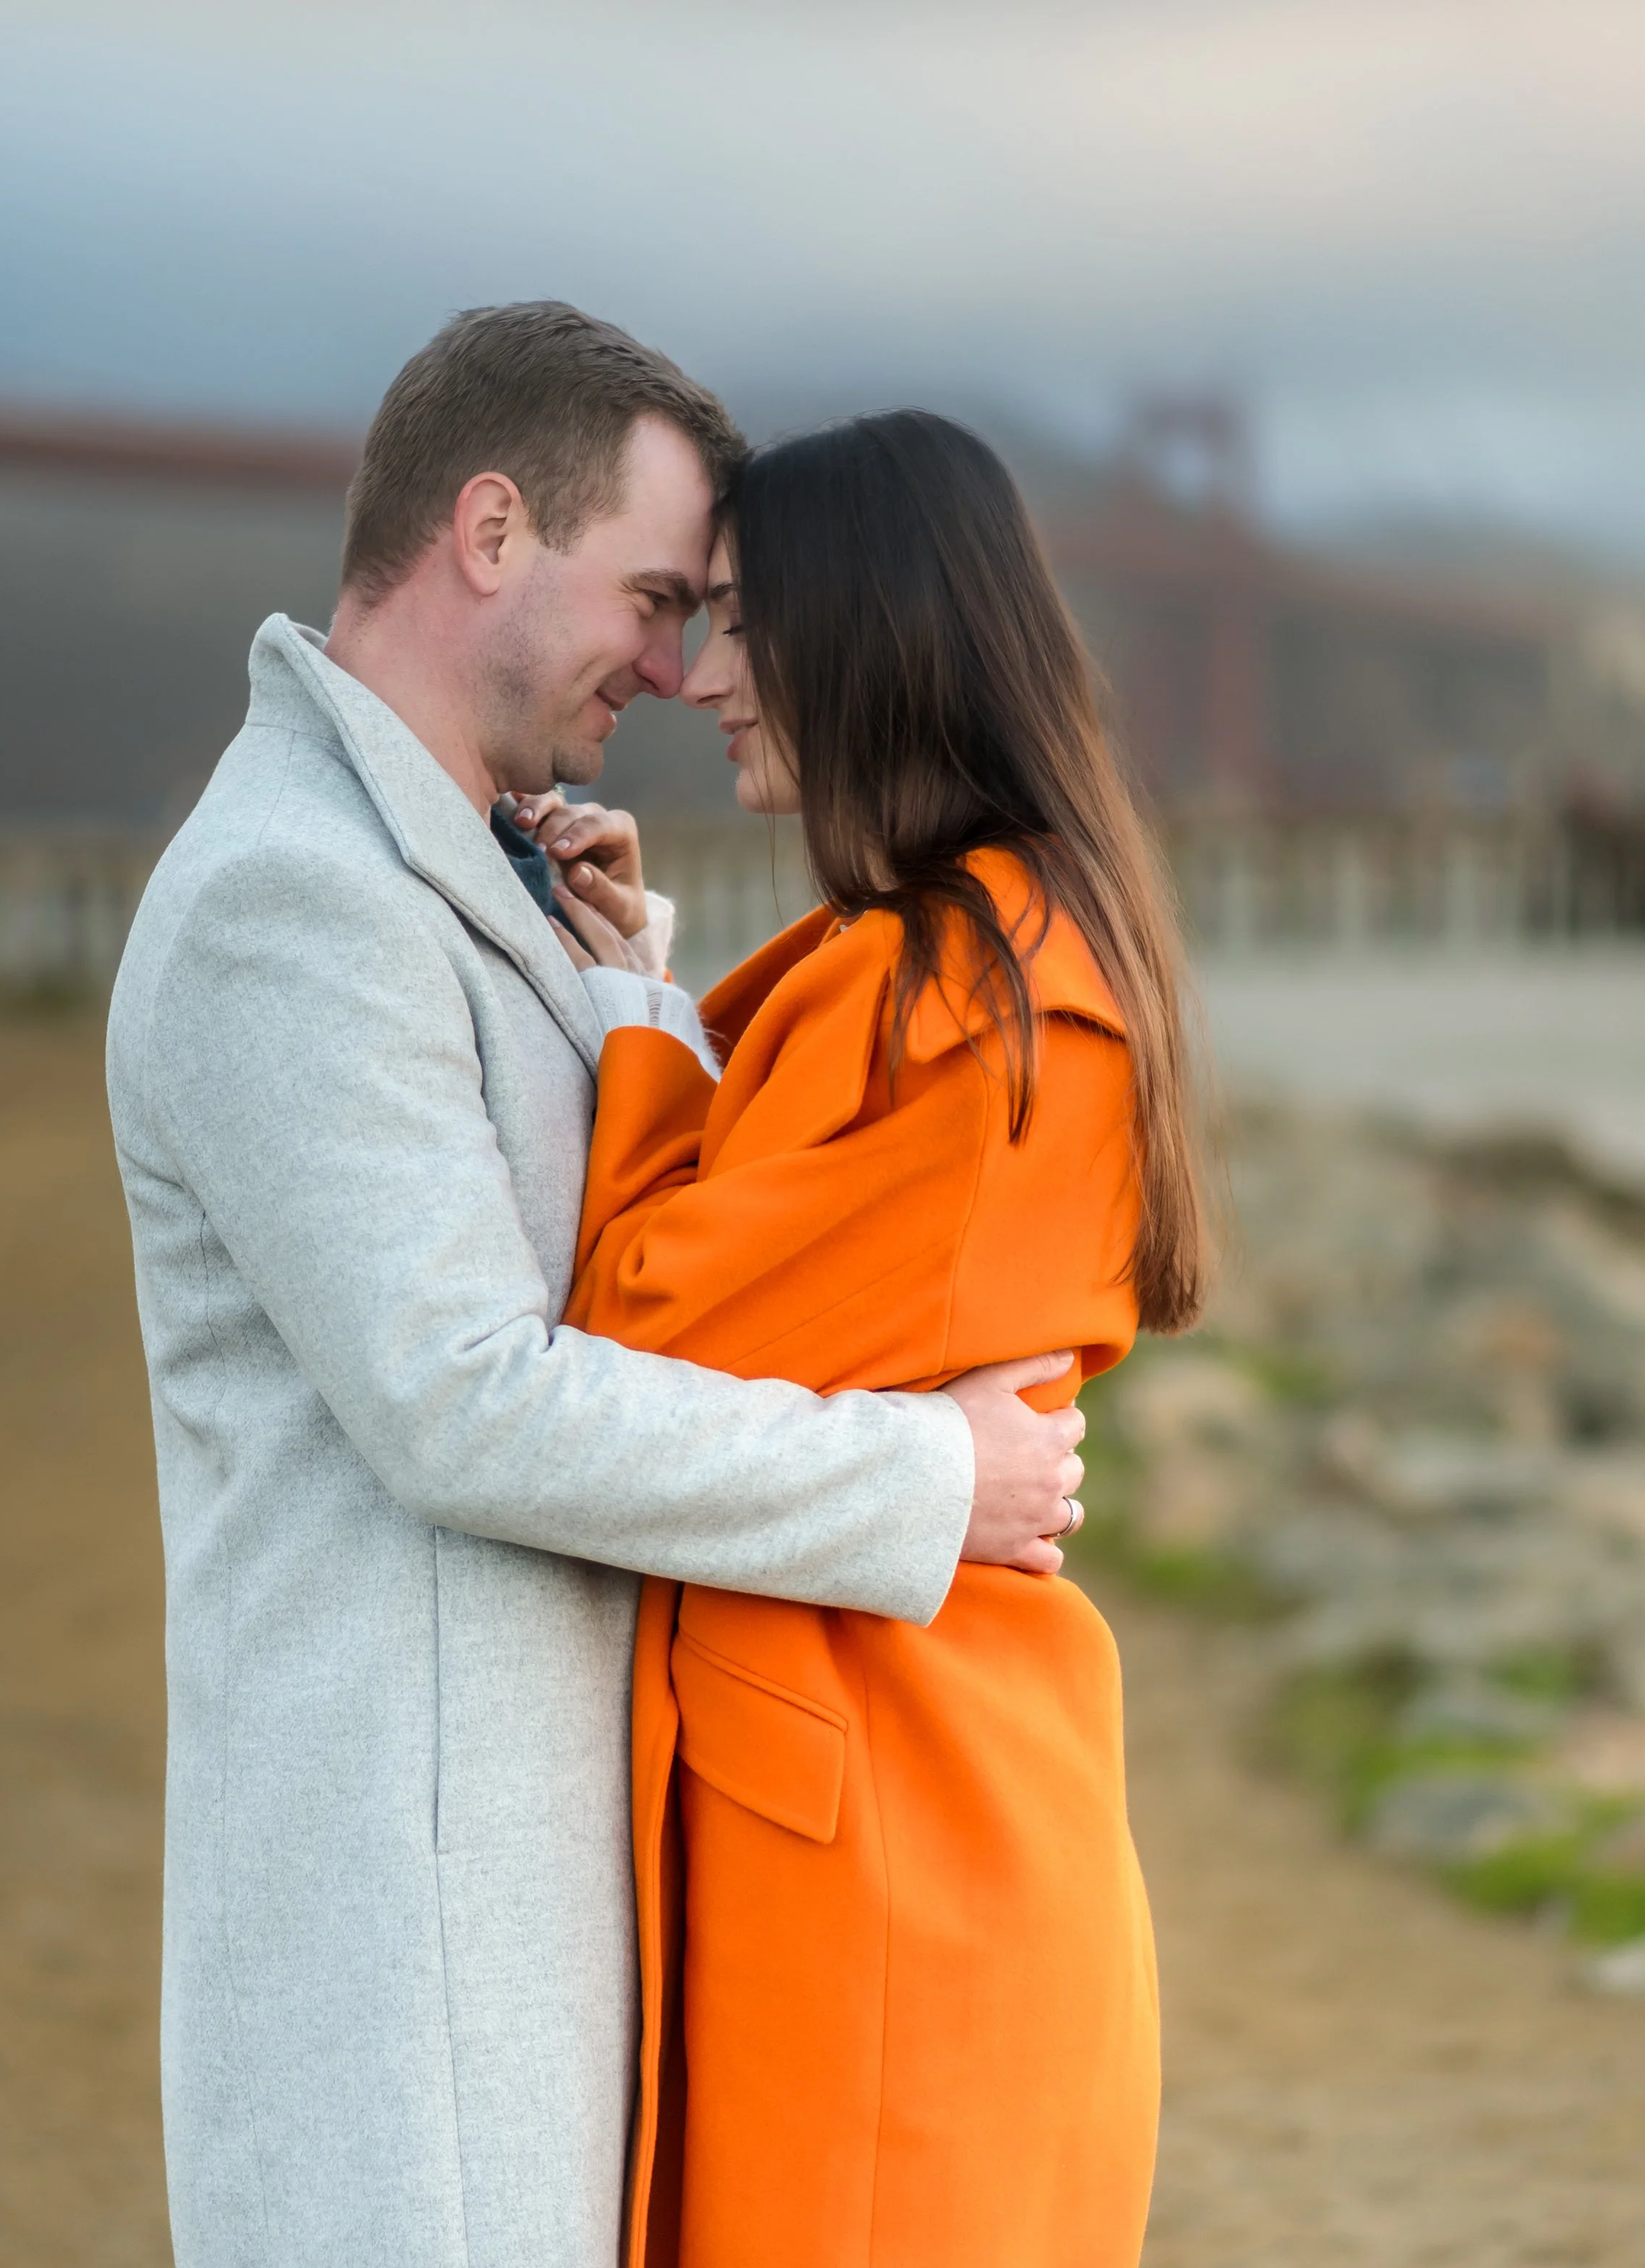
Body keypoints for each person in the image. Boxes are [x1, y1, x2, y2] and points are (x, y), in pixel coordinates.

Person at [105, 306, 1090, 2268]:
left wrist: (624, 988)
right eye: (652, 597)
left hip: (534, 1899)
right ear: (487, 530)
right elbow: (464, 1393)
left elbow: (633, 1270)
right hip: (411, 1941)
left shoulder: (450, 879)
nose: (678, 663)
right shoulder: (290, 898)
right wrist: (924, 1482)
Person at [544, 409, 1207, 2268]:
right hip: (932, 1786)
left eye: (746, 624)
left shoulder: (946, 988)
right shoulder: (1006, 948)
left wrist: (628, 1021)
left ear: (871, 633)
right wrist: (655, 993)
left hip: (880, 1826)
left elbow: (630, 1326)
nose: (701, 677)